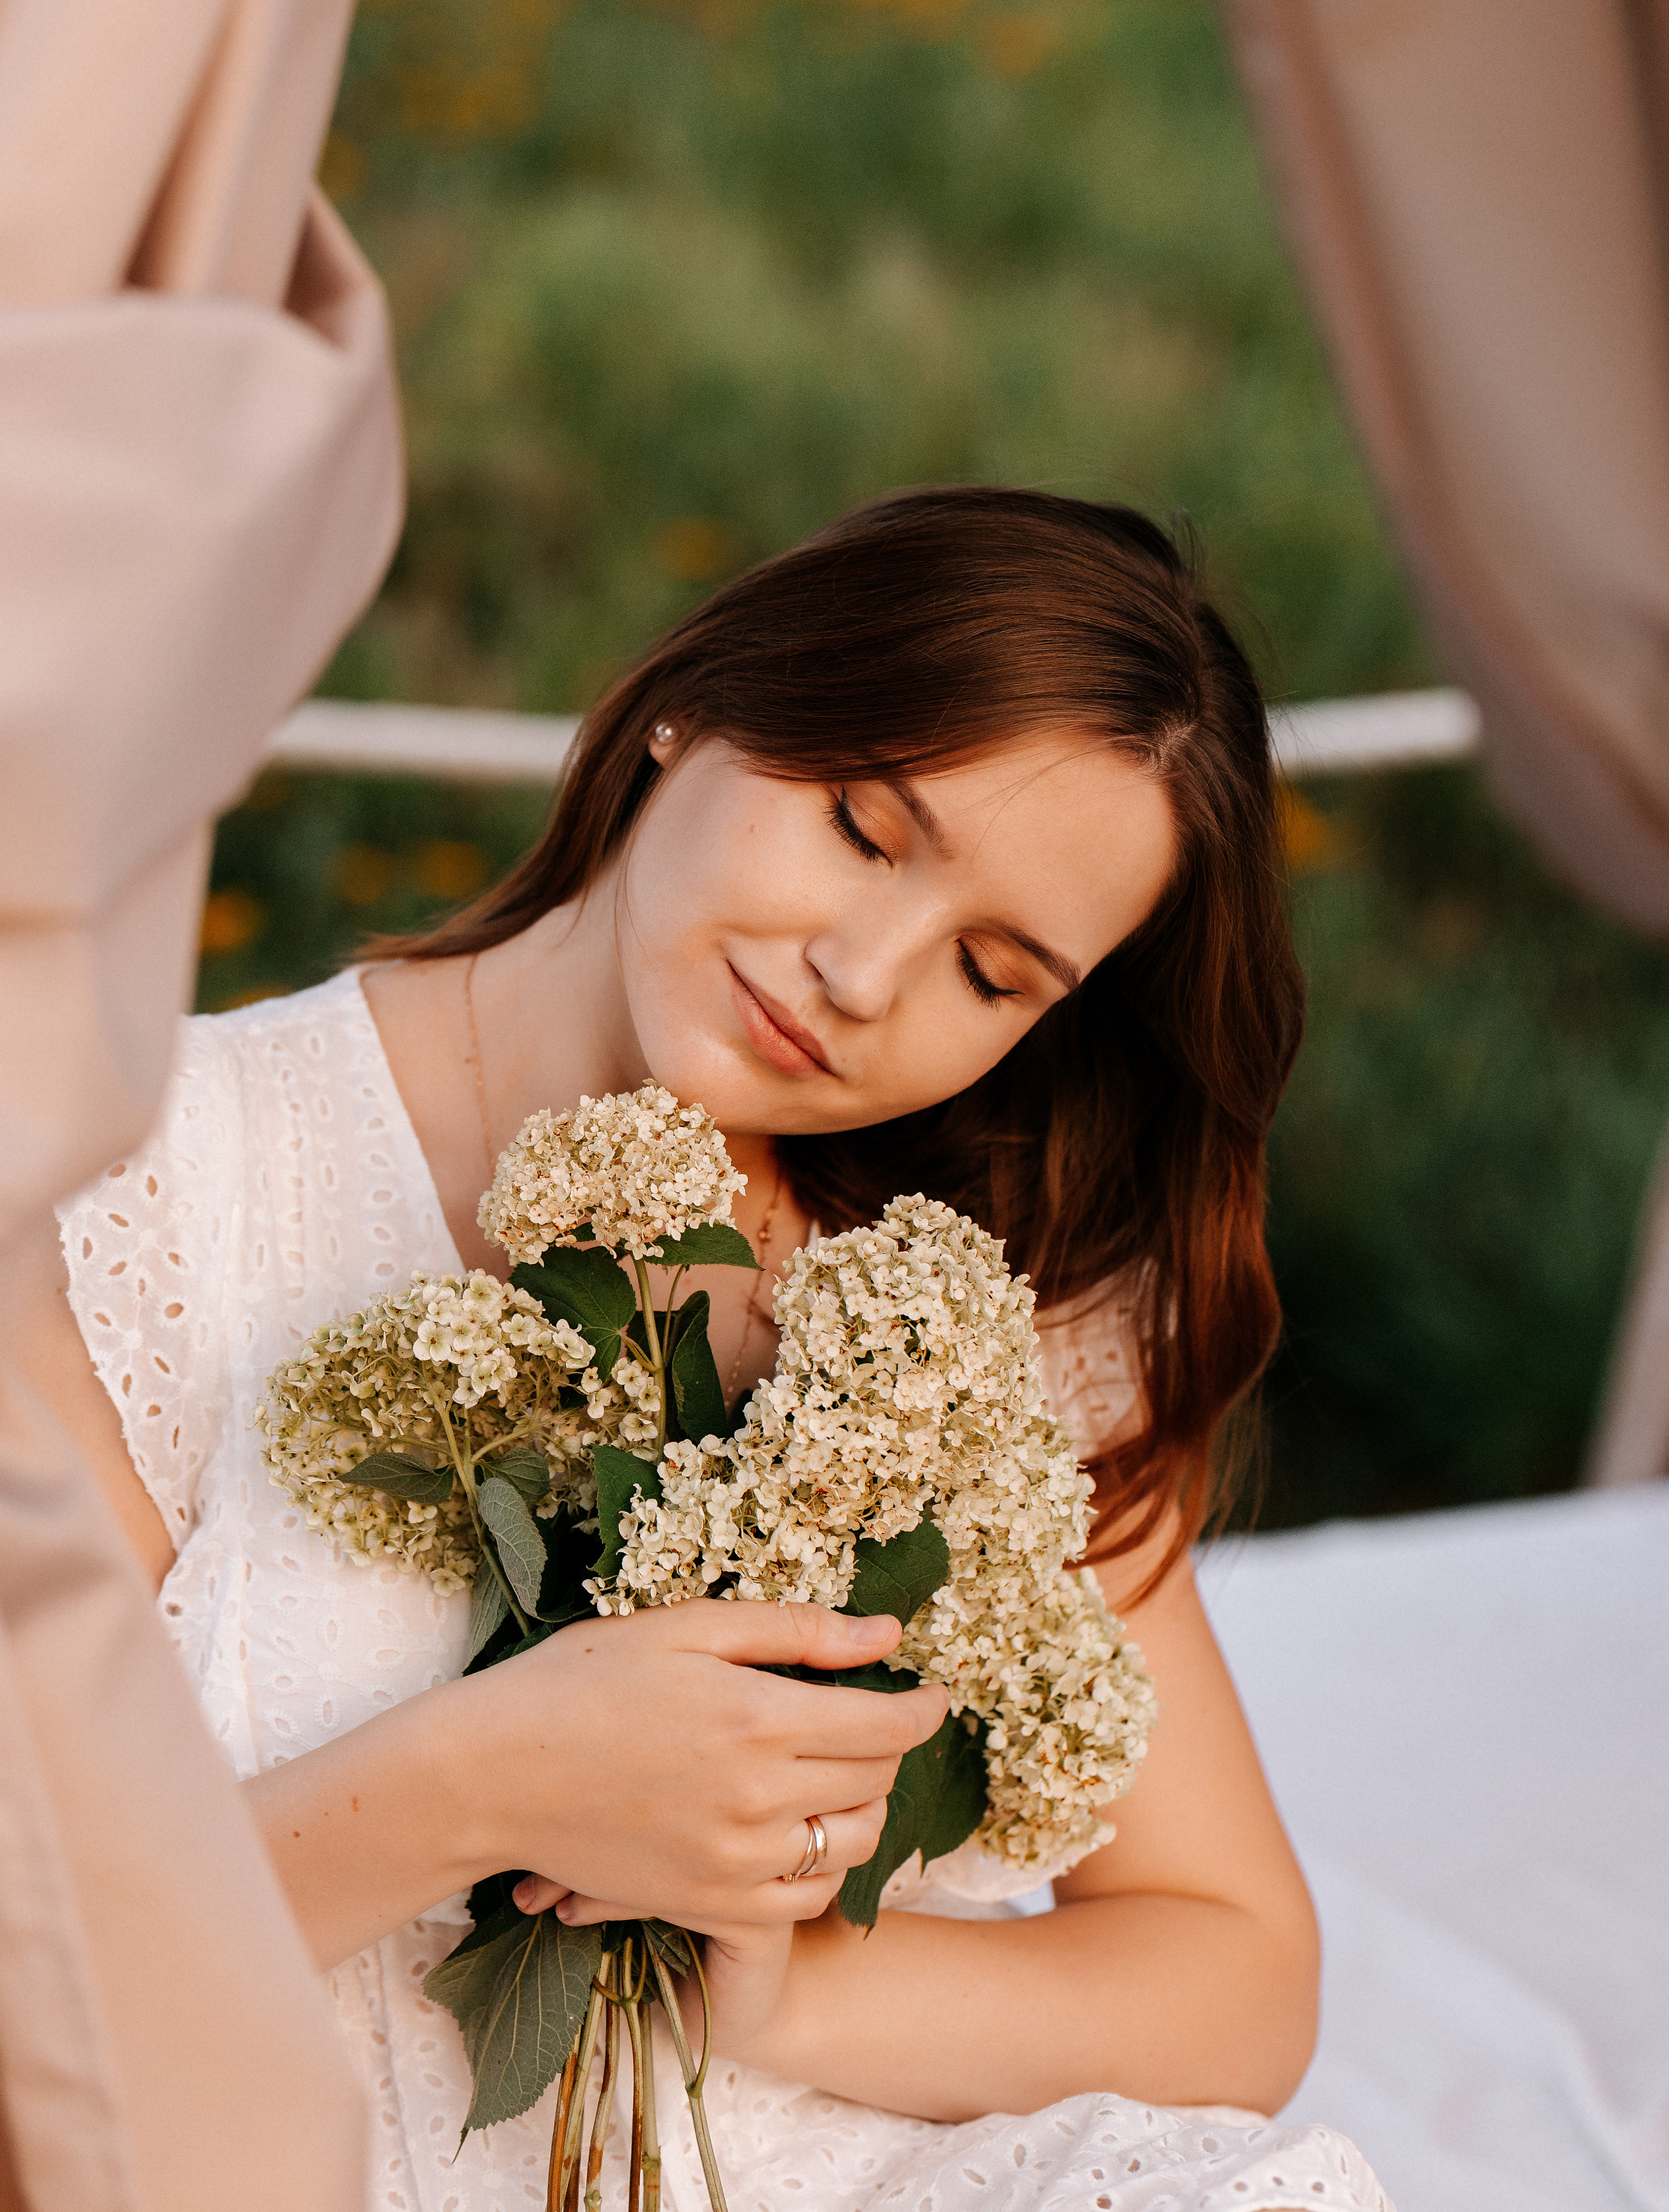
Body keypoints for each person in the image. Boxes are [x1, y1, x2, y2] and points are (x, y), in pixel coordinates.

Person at [10, 487, 1392, 2211]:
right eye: (865, 830)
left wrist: (798, 1990)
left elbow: (1237, 1968)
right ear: (704, 698)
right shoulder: (143, 1194)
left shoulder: (960, 1303)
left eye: (993, 969)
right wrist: (480, 1784)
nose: (864, 973)